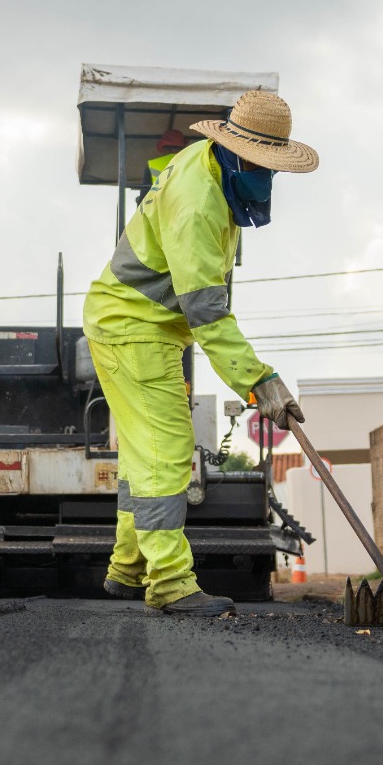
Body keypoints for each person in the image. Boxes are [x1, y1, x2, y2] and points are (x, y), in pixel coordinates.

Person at [83, 90, 313, 617]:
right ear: (238, 152)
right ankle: (168, 582)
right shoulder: (198, 202)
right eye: (263, 165)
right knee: (166, 451)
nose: (267, 177)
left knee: (142, 457)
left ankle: (128, 567)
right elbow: (207, 311)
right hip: (133, 328)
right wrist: (261, 382)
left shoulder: (210, 166)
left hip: (134, 324)